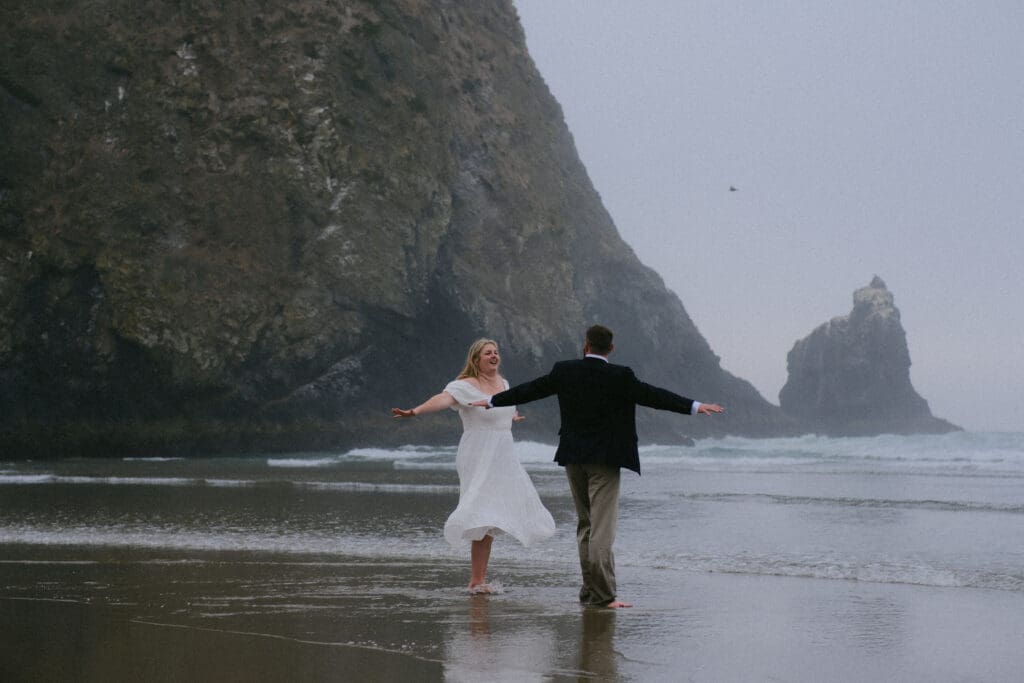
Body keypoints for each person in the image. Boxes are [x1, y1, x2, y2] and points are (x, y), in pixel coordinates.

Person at [473, 324, 723, 608]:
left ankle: (590, 590)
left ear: (586, 345)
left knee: (586, 525)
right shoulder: (621, 376)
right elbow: (655, 396)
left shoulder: (564, 370)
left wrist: (493, 401)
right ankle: (604, 596)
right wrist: (693, 405)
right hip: (605, 461)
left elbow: (531, 390)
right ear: (611, 349)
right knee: (602, 529)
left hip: (573, 457)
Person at [392, 338, 556, 593]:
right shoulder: (464, 386)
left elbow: (500, 409)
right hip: (478, 454)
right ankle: (476, 579)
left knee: (489, 519)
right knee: (481, 512)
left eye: (496, 352)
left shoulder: (505, 384)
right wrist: (416, 411)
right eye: (488, 353)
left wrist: (511, 415)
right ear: (476, 359)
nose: (494, 356)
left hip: (503, 455)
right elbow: (442, 399)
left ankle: (478, 580)